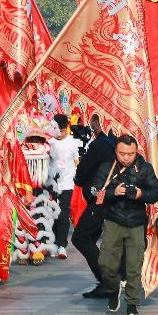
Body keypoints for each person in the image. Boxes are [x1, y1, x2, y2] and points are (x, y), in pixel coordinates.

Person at [90, 135, 158, 315]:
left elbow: (155, 193)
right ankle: (113, 290)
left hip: (136, 223)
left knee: (134, 266)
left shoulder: (145, 168)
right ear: (116, 152)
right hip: (113, 221)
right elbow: (93, 194)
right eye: (122, 154)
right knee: (106, 265)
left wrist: (140, 194)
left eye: (130, 154)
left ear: (136, 152)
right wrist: (113, 192)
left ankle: (132, 304)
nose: (126, 158)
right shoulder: (107, 168)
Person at [72, 119, 117, 297]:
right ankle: (110, 278)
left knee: (81, 237)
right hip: (115, 197)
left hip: (100, 198)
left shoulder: (99, 144)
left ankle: (107, 280)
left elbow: (82, 173)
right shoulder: (116, 140)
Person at [47, 114, 78, 259]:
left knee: (63, 215)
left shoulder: (72, 143)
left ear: (67, 128)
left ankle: (61, 245)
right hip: (51, 184)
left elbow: (77, 162)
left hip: (66, 185)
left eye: (62, 130)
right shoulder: (50, 142)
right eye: (57, 130)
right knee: (51, 214)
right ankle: (51, 243)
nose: (59, 133)